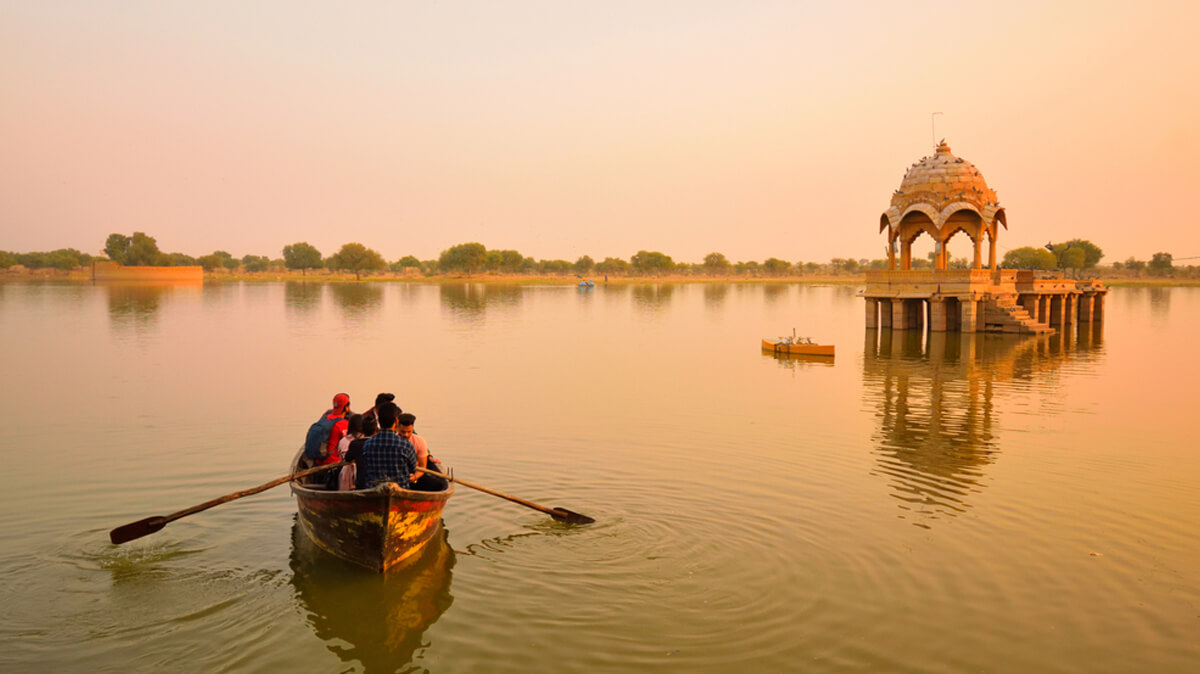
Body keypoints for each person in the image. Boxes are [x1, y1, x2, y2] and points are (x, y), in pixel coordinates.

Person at [359, 402, 418, 489]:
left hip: (373, 490)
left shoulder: (367, 444)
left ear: (378, 421)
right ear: (396, 421)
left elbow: (365, 466)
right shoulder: (406, 445)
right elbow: (412, 468)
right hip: (401, 490)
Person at [396, 412, 445, 491]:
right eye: (403, 432)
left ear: (413, 429)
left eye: (409, 432)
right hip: (397, 475)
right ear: (397, 428)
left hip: (415, 473)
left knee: (438, 485)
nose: (406, 435)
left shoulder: (419, 441)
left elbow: (422, 467)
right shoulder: (393, 440)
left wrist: (414, 477)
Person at [339, 415, 377, 491]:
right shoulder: (379, 443)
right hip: (376, 484)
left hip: (361, 484)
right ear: (376, 430)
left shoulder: (355, 444)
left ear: (362, 429)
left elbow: (347, 458)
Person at [317, 393, 352, 467]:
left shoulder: (325, 418)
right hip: (333, 463)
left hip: (319, 460)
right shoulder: (343, 424)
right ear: (346, 408)